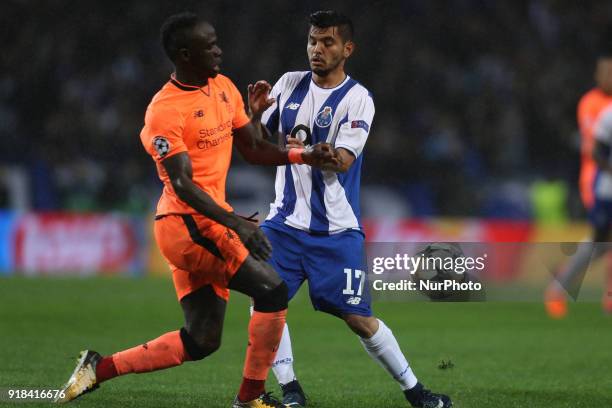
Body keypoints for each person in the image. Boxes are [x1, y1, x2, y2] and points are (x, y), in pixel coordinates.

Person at [55, 12, 336, 408]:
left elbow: (253, 148)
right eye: (210, 46)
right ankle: (250, 399)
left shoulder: (222, 87)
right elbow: (183, 184)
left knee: (202, 339)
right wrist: (236, 222)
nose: (219, 50)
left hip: (201, 224)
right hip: (188, 226)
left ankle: (97, 369)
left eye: (217, 42)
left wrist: (301, 152)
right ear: (186, 55)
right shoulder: (164, 111)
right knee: (272, 290)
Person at [255, 10, 452, 408]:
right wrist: (254, 115)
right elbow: (258, 144)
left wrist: (310, 153)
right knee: (264, 302)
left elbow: (342, 160)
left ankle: (416, 392)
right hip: (284, 224)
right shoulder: (288, 84)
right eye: (313, 40)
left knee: (359, 319)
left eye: (327, 42)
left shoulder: (358, 98)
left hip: (337, 231)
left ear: (347, 49)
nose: (317, 49)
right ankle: (290, 389)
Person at [545, 48, 612, 318]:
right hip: (596, 181)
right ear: (597, 75)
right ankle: (559, 286)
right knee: (600, 244)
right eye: (606, 71)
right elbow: (594, 146)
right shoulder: (592, 103)